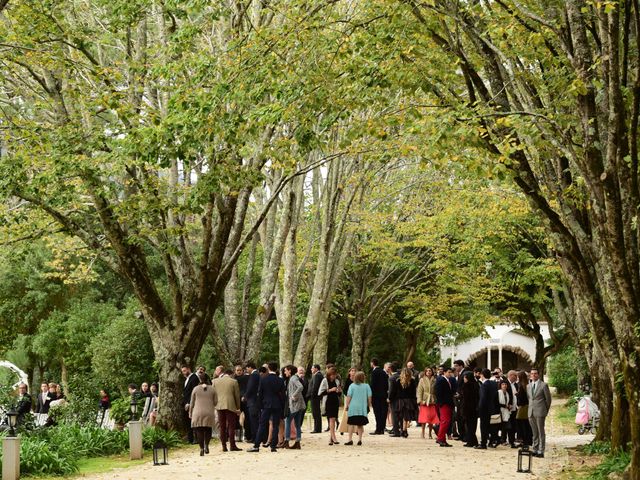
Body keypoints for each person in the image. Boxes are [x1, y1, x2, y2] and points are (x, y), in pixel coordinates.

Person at [247, 362, 286, 453]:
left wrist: (260, 405)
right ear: (276, 369)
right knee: (275, 425)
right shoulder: (280, 380)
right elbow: (283, 396)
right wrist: (282, 405)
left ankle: (256, 445)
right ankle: (273, 446)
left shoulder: (264, 379)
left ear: (268, 368)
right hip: (277, 404)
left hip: (266, 404)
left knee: (262, 424)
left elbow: (260, 393)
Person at [214, 368, 242, 452]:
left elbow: (213, 394)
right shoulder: (234, 381)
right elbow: (237, 396)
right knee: (231, 426)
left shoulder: (215, 381)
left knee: (222, 427)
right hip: (230, 405)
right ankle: (232, 445)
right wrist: (238, 408)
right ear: (231, 374)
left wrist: (215, 404)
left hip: (219, 405)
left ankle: (224, 446)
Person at [189, 372, 216, 456]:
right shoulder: (212, 389)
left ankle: (201, 448)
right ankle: (206, 445)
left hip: (197, 412)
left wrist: (190, 412)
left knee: (199, 430)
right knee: (208, 429)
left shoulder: (195, 389)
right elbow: (215, 402)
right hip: (209, 412)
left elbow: (192, 403)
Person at [527, 368, 552, 458]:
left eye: (535, 374)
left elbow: (548, 399)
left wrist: (545, 410)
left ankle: (541, 450)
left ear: (538, 374)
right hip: (531, 412)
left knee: (541, 431)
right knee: (534, 432)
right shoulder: (528, 386)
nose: (533, 375)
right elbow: (529, 399)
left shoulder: (543, 385)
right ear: (530, 375)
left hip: (540, 411)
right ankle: (535, 449)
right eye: (532, 373)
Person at [344, 371, 372, 446]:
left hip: (353, 408)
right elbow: (369, 397)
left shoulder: (352, 386)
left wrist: (347, 405)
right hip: (362, 408)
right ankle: (360, 439)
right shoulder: (366, 386)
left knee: (351, 424)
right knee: (360, 425)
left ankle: (350, 439)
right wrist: (369, 405)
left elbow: (349, 397)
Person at [476, 368, 500, 450]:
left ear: (482, 375)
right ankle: (494, 439)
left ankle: (483, 443)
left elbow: (483, 398)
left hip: (485, 409)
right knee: (492, 426)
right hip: (493, 408)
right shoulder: (494, 384)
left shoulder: (484, 385)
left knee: (484, 426)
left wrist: (479, 408)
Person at [283, 365, 305, 449]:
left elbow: (300, 387)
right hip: (299, 405)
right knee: (297, 424)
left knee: (287, 421)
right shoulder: (294, 378)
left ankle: (287, 441)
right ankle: (297, 442)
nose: (285, 372)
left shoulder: (293, 378)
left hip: (295, 405)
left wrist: (293, 395)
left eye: (286, 371)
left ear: (290, 371)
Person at [318, 366, 341, 445]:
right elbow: (320, 393)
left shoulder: (337, 381)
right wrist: (330, 390)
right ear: (329, 374)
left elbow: (339, 394)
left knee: (333, 419)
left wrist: (338, 391)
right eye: (332, 375)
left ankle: (330, 439)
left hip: (335, 402)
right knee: (331, 419)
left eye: (334, 375)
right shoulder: (325, 381)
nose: (333, 376)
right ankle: (334, 437)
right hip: (328, 402)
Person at [434, 367, 457, 447]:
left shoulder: (448, 380)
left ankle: (442, 439)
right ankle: (440, 438)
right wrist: (441, 403)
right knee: (445, 421)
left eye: (451, 372)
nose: (450, 374)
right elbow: (438, 392)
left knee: (445, 421)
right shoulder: (441, 380)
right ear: (444, 372)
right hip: (444, 404)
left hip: (447, 403)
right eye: (448, 372)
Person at [395, 368, 418, 437]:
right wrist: (414, 400)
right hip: (409, 400)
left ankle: (403, 430)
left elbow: (397, 392)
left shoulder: (398, 380)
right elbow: (414, 392)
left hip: (400, 400)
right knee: (406, 416)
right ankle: (404, 430)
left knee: (401, 416)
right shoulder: (412, 381)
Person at [417, 367, 439, 439]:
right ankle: (422, 433)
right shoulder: (422, 380)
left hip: (432, 401)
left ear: (432, 372)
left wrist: (436, 400)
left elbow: (436, 391)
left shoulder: (435, 380)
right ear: (425, 372)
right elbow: (419, 391)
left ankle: (430, 434)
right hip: (425, 400)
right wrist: (420, 400)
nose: (429, 372)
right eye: (427, 371)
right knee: (424, 418)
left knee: (431, 419)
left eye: (430, 371)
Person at [369, 358, 389, 435]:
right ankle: (382, 429)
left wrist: (371, 395)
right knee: (383, 412)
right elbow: (387, 384)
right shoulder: (383, 372)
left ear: (372, 363)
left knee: (377, 412)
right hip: (384, 395)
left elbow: (373, 385)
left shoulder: (374, 372)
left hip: (376, 396)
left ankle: (378, 429)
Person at [461, 370, 479, 447]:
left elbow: (465, 399)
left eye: (465, 377)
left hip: (468, 409)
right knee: (473, 426)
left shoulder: (466, 386)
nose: (464, 379)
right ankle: (473, 441)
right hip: (474, 409)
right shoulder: (476, 384)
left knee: (469, 426)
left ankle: (471, 441)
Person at [182, 365, 199, 444]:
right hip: (185, 403)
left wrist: (189, 403)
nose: (184, 373)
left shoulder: (194, 378)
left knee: (193, 420)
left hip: (192, 403)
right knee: (188, 421)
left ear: (189, 369)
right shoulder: (187, 379)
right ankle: (190, 438)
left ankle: (196, 438)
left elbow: (193, 392)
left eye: (185, 371)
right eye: (182, 371)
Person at [516, 370, 532, 446]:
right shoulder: (527, 385)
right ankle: (528, 440)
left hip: (522, 407)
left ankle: (524, 441)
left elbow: (521, 398)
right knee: (527, 424)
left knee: (522, 425)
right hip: (527, 406)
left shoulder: (521, 386)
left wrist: (517, 395)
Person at [234, 365, 251, 442]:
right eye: (237, 370)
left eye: (240, 370)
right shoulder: (233, 380)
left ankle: (248, 435)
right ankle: (237, 436)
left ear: (243, 371)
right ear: (235, 371)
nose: (239, 371)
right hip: (237, 400)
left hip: (245, 400)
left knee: (247, 418)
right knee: (235, 418)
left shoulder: (247, 378)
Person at [245, 362, 260, 443]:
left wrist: (245, 396)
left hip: (253, 401)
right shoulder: (257, 374)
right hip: (255, 401)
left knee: (253, 420)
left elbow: (250, 387)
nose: (247, 370)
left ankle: (255, 438)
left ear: (250, 367)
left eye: (247, 368)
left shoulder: (254, 375)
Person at [308, 364, 324, 434]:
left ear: (316, 369)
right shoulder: (317, 375)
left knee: (316, 412)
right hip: (315, 397)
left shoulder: (317, 375)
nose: (311, 370)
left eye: (312, 368)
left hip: (315, 397)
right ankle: (317, 428)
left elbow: (315, 387)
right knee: (316, 412)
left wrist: (311, 395)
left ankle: (317, 428)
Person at [387, 362, 401, 437]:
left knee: (394, 415)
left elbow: (391, 390)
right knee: (401, 415)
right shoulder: (401, 376)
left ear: (391, 369)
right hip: (401, 398)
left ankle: (396, 432)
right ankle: (402, 429)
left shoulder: (391, 378)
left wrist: (389, 398)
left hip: (394, 399)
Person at [507, 370, 519, 447]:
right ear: (511, 375)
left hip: (515, 408)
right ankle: (509, 441)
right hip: (507, 408)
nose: (516, 377)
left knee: (514, 425)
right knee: (508, 426)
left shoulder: (516, 385)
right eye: (515, 376)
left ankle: (512, 440)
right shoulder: (505, 383)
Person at [497, 380, 512, 445]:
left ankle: (504, 439)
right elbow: (496, 402)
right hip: (500, 410)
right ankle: (498, 439)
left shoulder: (507, 393)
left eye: (505, 384)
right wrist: (504, 405)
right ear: (500, 385)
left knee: (505, 426)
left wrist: (508, 406)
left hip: (506, 411)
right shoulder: (498, 392)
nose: (504, 385)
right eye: (503, 384)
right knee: (499, 426)